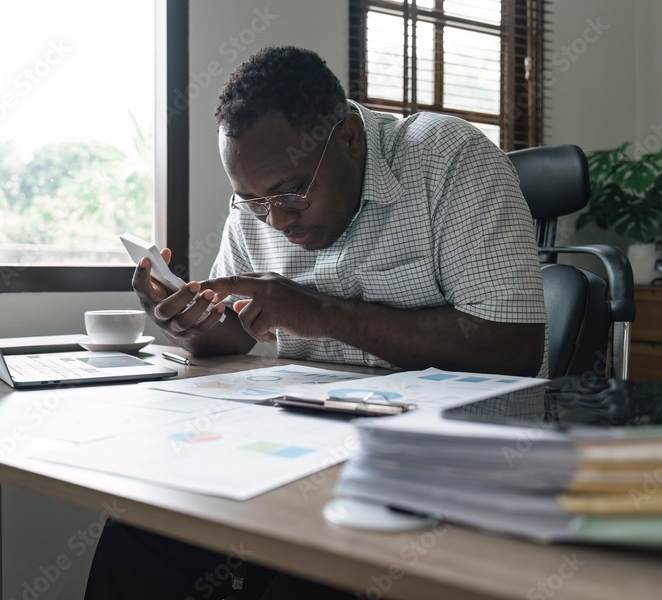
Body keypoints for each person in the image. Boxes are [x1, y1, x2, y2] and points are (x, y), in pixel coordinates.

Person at [85, 45, 547, 599]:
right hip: (303, 445)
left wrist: (318, 312)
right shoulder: (258, 201)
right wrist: (192, 328)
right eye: (253, 201)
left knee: (305, 581)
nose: (276, 219)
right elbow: (239, 329)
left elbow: (512, 348)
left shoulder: (448, 160)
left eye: (292, 191)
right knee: (138, 537)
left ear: (350, 137)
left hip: (438, 459)